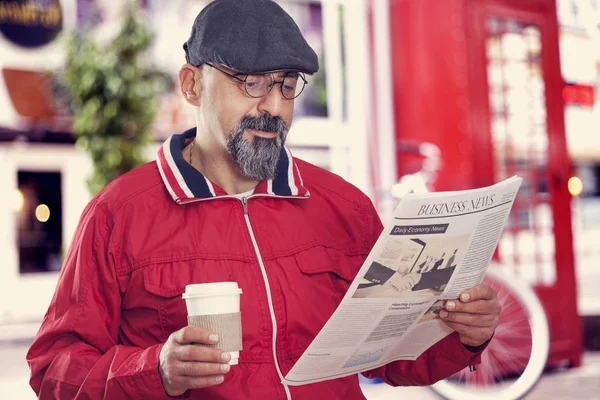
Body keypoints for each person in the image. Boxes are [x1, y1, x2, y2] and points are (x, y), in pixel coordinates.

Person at [27, 1, 501, 399]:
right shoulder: (118, 215)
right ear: (192, 85)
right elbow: (53, 370)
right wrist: (157, 369)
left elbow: (390, 358)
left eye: (286, 83)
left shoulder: (344, 207)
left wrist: (464, 335)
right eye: (250, 82)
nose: (274, 106)